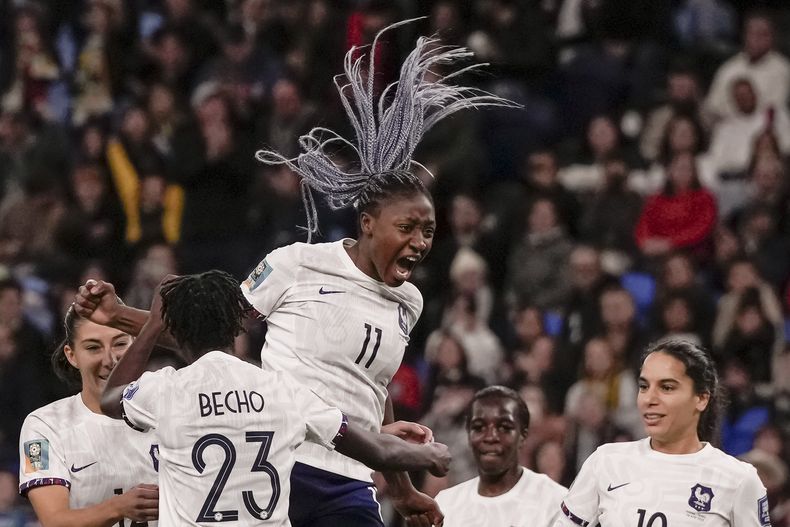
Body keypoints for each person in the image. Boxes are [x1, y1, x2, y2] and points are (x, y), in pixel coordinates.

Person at [75, 18, 516, 527]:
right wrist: (123, 316)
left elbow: (373, 393)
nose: (420, 242)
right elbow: (211, 339)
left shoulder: (410, 302)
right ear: (368, 224)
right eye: (408, 227)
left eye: (429, 231)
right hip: (281, 463)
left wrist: (402, 490)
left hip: (351, 474)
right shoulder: (299, 263)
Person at [100, 271, 451, 527]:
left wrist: (153, 325)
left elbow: (110, 399)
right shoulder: (281, 390)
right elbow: (375, 451)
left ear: (176, 332)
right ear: (237, 328)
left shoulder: (167, 390)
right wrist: (428, 455)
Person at [556, 339, 771, 527]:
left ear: (701, 399)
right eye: (644, 386)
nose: (649, 399)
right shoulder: (606, 461)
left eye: (667, 387)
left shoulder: (738, 479)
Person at [18, 306, 159, 526]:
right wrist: (119, 507)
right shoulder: (43, 426)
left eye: (120, 344)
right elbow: (54, 521)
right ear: (72, 355)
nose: (110, 360)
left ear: (136, 345)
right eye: (93, 347)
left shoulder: (168, 412)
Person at [434, 386, 567, 527]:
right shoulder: (445, 504)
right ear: (468, 434)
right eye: (479, 427)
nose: (490, 437)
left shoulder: (554, 501)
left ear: (523, 435)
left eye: (504, 427)